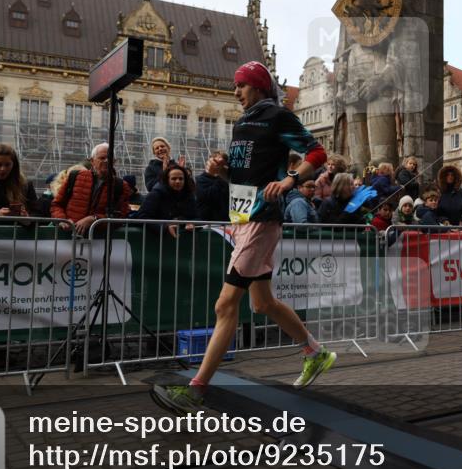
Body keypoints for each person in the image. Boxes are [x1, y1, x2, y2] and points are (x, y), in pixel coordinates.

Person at [150, 60, 333, 415]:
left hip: (262, 219)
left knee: (225, 304)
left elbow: (318, 153)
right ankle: (315, 352)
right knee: (262, 303)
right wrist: (223, 171)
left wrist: (290, 180)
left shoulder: (277, 115)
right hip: (242, 219)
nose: (236, 92)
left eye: (241, 86)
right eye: (235, 86)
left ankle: (195, 391)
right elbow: (249, 171)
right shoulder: (241, 123)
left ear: (260, 86)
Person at [50, 142, 130, 235]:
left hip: (99, 242)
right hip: (68, 238)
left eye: (110, 158)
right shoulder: (75, 176)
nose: (106, 161)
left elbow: (120, 216)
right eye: (102, 158)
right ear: (92, 161)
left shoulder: (121, 186)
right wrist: (62, 220)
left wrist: (94, 219)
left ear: (114, 161)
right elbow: (56, 204)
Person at [134, 165, 198, 237]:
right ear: (167, 180)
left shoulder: (189, 195)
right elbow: (142, 216)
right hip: (157, 240)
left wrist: (191, 223)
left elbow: (196, 216)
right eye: (174, 179)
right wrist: (164, 228)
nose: (178, 181)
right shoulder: (156, 194)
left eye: (181, 179)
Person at [195, 150, 229, 222]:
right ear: (209, 161)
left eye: (220, 163)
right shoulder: (200, 179)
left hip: (224, 223)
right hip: (206, 223)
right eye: (215, 159)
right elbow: (208, 197)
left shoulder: (227, 181)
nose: (217, 164)